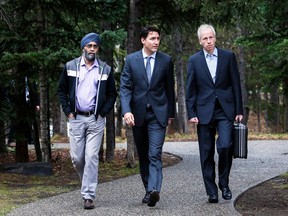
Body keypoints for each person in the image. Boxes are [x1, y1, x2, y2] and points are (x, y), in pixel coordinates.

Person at [57, 32, 117, 209]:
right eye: (89, 45)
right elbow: (61, 90)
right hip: (75, 119)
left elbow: (112, 94)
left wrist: (103, 112)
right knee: (77, 158)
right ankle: (86, 185)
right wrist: (68, 112)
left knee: (91, 157)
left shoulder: (105, 69)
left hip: (95, 120)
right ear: (83, 47)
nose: (92, 49)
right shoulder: (70, 66)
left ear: (98, 49)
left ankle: (88, 196)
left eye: (95, 46)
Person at [185, 24, 243, 204]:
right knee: (206, 152)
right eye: (205, 39)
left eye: (211, 38)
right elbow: (190, 89)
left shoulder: (228, 57)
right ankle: (211, 191)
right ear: (200, 41)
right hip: (203, 111)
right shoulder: (194, 60)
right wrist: (192, 112)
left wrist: (239, 110)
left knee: (225, 146)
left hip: (225, 109)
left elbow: (235, 84)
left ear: (215, 38)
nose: (208, 41)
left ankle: (224, 183)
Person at [120, 26, 175, 207]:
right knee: (143, 155)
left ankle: (154, 190)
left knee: (154, 154)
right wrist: (126, 110)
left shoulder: (166, 60)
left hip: (158, 114)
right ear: (143, 40)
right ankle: (148, 191)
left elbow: (169, 89)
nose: (156, 42)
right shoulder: (131, 60)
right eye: (152, 38)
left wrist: (170, 115)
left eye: (158, 38)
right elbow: (126, 88)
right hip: (138, 115)